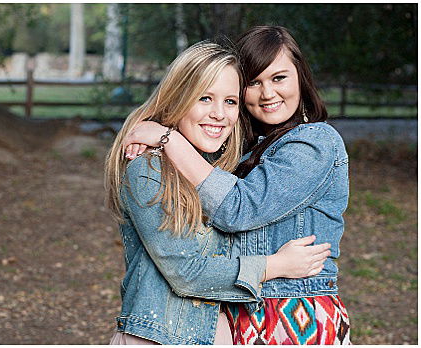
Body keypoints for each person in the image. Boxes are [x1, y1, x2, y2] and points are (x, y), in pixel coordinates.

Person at [123, 26, 351, 344]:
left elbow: (239, 209)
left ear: (301, 76)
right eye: (254, 82)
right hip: (237, 316)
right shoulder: (243, 151)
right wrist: (158, 132)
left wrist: (168, 137)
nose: (267, 93)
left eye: (279, 78)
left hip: (295, 315)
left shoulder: (315, 141)